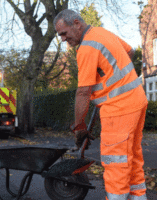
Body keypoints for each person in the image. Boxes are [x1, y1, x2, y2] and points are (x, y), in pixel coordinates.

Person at [54, 9, 148, 200]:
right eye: (60, 35)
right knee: (133, 158)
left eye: (64, 33)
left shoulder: (87, 48)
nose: (63, 39)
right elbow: (130, 51)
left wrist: (79, 127)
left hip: (119, 109)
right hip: (136, 100)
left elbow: (83, 92)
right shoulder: (102, 33)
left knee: (116, 162)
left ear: (77, 24)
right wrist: (111, 79)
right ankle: (138, 196)